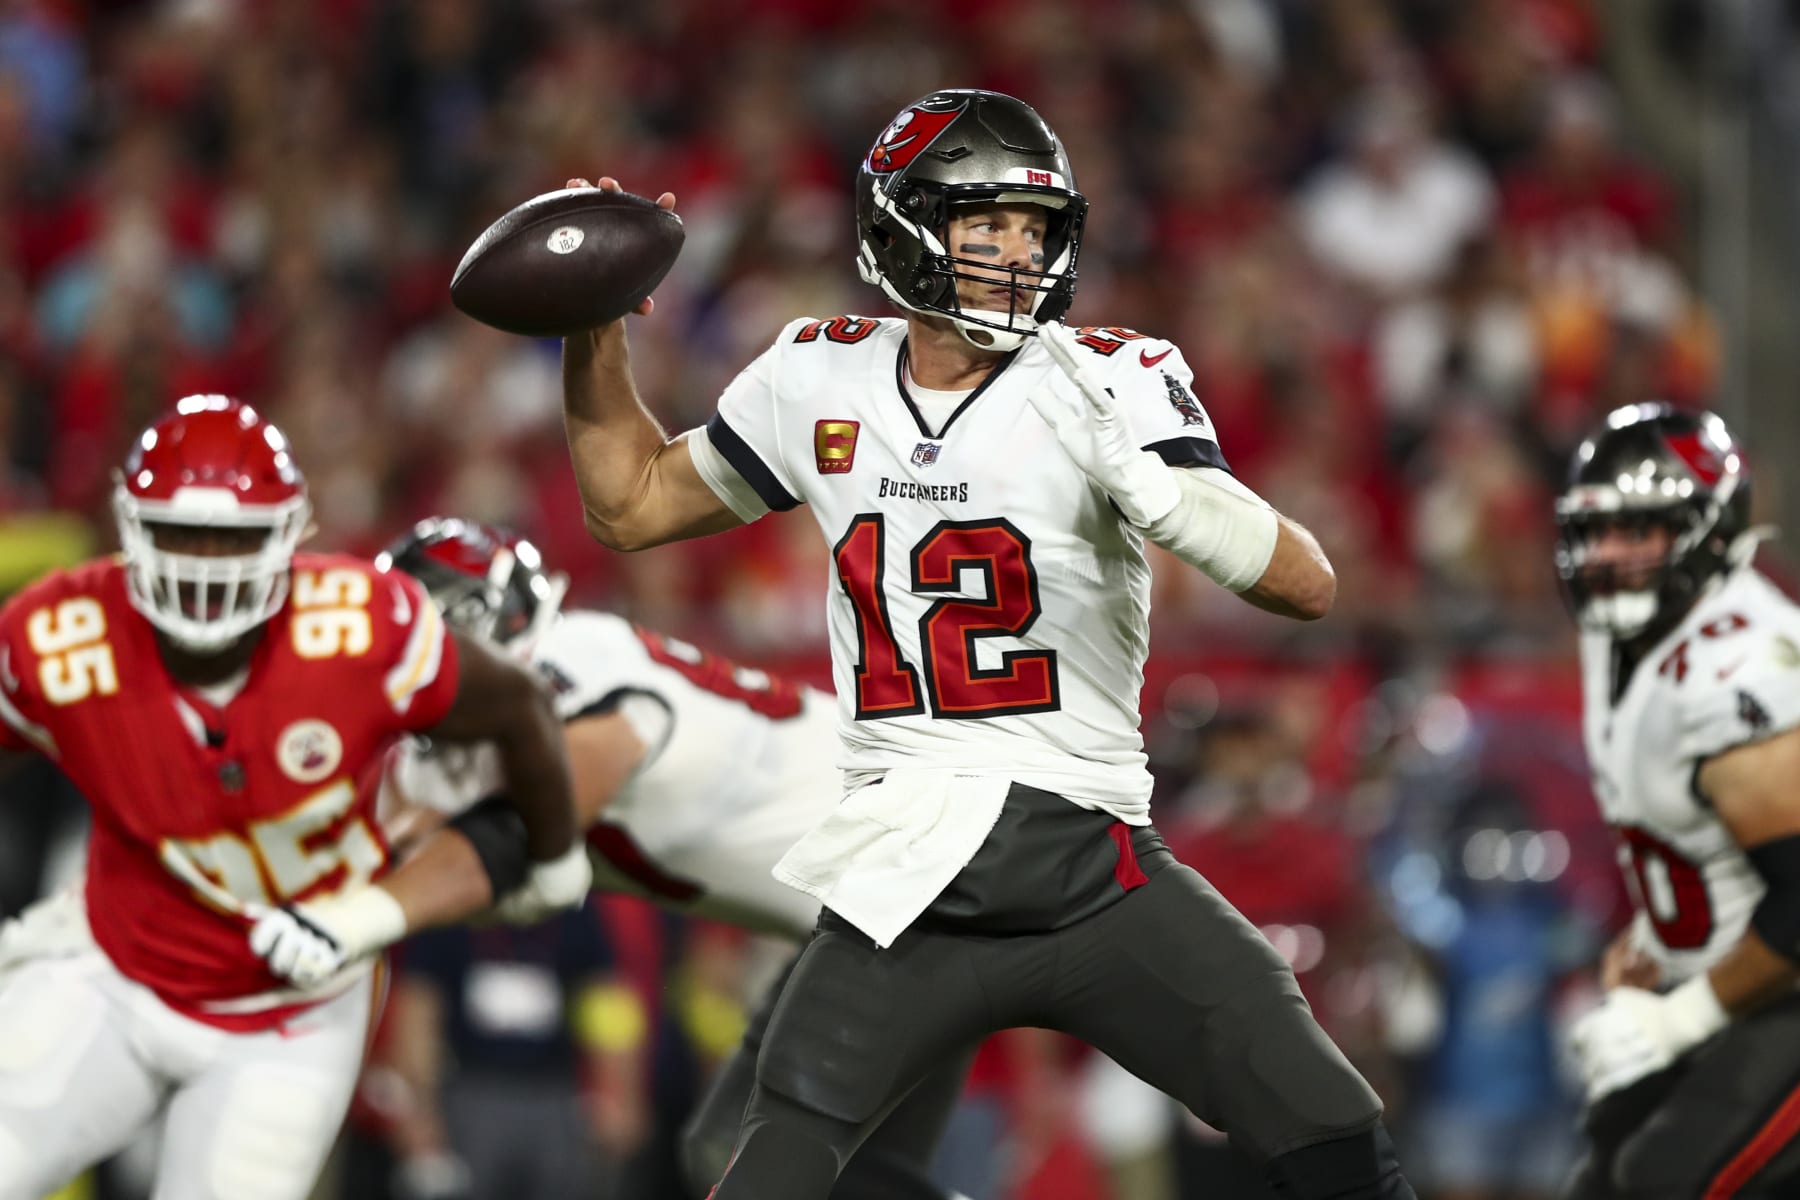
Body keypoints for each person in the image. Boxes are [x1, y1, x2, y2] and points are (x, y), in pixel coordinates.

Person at [555, 88, 1413, 1199]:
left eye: (1034, 227)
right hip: (909, 880)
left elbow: (1307, 583)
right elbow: (631, 506)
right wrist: (595, 330)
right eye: (986, 224)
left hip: (1096, 868)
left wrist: (1167, 494)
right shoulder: (817, 373)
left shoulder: (1108, 377)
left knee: (1337, 1136)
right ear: (904, 227)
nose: (1018, 253)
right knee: (756, 1171)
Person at [251, 515, 969, 1200]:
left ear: (487, 622)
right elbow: (378, 832)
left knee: (754, 1164)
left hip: (918, 872)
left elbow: (533, 819)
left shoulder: (577, 657)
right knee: (732, 1156)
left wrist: (360, 912)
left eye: (426, 640)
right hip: (861, 926)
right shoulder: (463, 745)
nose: (409, 669)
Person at [0, 395, 588, 1200]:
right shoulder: (60, 634)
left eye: (231, 537)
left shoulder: (358, 629)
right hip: (114, 971)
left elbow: (521, 704)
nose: (205, 564)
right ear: (132, 527)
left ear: (286, 536)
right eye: (180, 531)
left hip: (288, 1017)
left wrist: (557, 856)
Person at [1556, 402, 1800, 1196]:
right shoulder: (1623, 637)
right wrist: (1659, 930)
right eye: (1597, 532)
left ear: (1709, 529)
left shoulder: (1740, 668)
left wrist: (1679, 1019)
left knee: (1662, 1180)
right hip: (1731, 980)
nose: (1609, 556)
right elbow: (1698, 832)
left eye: (1640, 532)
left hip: (1779, 993)